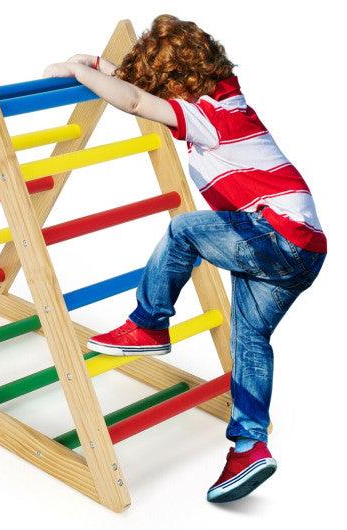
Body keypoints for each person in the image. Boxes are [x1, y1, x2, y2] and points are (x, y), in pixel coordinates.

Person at [43, 14, 326, 503]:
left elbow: (136, 102)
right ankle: (249, 448)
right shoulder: (226, 97)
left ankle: (149, 324)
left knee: (184, 229)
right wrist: (99, 64)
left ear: (180, 84)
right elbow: (142, 92)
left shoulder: (210, 119)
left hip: (276, 236)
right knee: (250, 340)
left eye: (166, 89)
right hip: (302, 249)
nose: (163, 101)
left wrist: (81, 75)